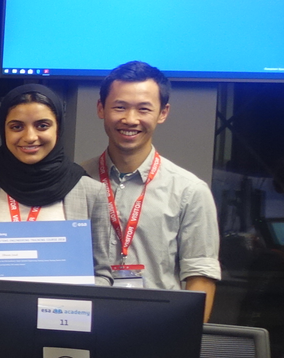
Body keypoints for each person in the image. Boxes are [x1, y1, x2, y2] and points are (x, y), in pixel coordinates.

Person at [90, 61, 220, 315]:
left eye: (143, 109)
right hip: (84, 324)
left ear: (162, 113)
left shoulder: (190, 191)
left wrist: (184, 344)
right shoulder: (76, 181)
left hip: (158, 330)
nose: (130, 119)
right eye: (120, 107)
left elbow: (200, 277)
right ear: (101, 109)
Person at [0, 83, 115, 285]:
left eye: (42, 125)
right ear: (3, 129)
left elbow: (102, 274)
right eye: (17, 127)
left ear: (58, 128)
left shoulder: (90, 192)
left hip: (60, 313)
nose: (30, 137)